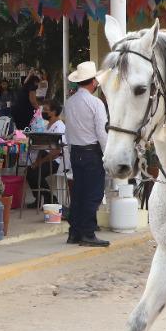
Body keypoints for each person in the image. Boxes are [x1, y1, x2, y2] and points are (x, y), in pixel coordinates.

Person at [63, 62, 110, 247]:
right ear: (93, 82)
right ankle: (87, 233)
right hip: (91, 153)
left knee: (79, 193)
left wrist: (70, 151)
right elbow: (102, 133)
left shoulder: (70, 103)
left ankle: (74, 232)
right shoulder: (95, 103)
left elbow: (68, 131)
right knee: (93, 193)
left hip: (76, 151)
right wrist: (107, 154)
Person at [26, 100, 67, 208]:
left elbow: (56, 151)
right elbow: (41, 147)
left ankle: (51, 199)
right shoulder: (47, 126)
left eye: (46, 110)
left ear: (54, 112)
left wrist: (40, 162)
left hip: (57, 160)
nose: (43, 112)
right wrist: (36, 162)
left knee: (36, 174)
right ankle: (38, 198)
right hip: (45, 156)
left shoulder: (59, 127)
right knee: (29, 172)